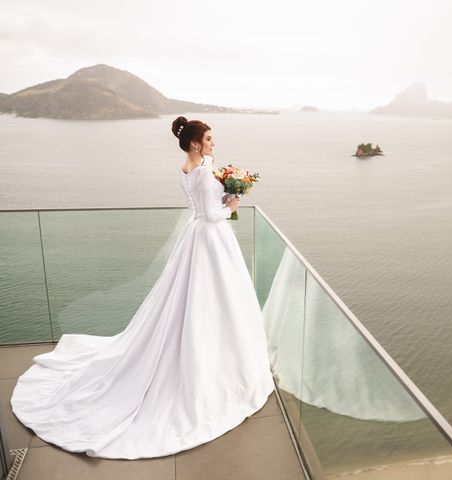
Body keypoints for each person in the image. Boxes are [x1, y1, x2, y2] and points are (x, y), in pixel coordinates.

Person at [10, 116, 275, 459]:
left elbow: (200, 196)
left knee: (193, 300)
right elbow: (211, 215)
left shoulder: (187, 169)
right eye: (209, 139)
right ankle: (219, 362)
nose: (213, 144)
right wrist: (232, 203)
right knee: (216, 301)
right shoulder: (204, 172)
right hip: (211, 238)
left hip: (196, 239)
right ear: (196, 142)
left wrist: (226, 182)